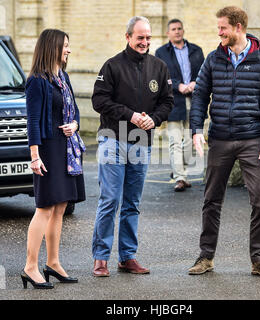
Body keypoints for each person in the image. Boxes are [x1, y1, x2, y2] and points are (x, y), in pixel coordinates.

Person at [189, 6, 260, 277]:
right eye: (218, 28)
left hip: (254, 139)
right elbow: (200, 95)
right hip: (219, 138)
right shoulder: (213, 58)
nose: (219, 33)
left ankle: (259, 260)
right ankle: (206, 257)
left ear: (238, 27)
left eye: (223, 28)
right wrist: (196, 128)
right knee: (211, 200)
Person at [92, 16, 173, 277]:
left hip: (141, 143)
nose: (145, 42)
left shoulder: (159, 67)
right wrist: (130, 115)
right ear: (128, 37)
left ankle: (127, 257)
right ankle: (101, 258)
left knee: (132, 203)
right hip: (112, 138)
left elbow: (167, 102)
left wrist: (155, 118)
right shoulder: (112, 66)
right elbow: (99, 100)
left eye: (148, 37)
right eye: (140, 37)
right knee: (110, 199)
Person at [22, 29, 86, 289]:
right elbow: (33, 122)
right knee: (45, 207)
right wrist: (35, 157)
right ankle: (29, 267)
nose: (69, 50)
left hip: (66, 149)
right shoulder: (37, 81)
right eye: (65, 46)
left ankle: (53, 263)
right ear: (53, 47)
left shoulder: (63, 77)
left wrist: (75, 125)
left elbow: (76, 111)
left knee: (60, 207)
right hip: (48, 150)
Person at [155, 19, 204, 192]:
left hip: (195, 99)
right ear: (168, 33)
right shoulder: (161, 53)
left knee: (191, 139)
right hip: (173, 101)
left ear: (183, 31)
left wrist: (194, 82)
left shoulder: (196, 51)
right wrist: (178, 85)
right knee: (175, 141)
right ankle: (181, 177)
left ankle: (178, 168)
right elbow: (161, 77)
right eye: (173, 29)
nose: (177, 31)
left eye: (179, 28)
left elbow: (204, 73)